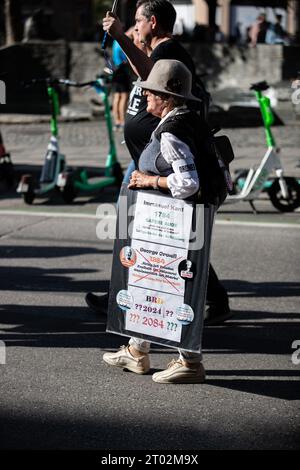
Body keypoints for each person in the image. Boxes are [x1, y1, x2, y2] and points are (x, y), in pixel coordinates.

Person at [86, 0, 230, 326]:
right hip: (148, 160)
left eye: (138, 21)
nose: (135, 26)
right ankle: (211, 298)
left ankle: (125, 299)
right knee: (160, 232)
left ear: (153, 21)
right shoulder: (160, 51)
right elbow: (145, 74)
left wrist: (121, 38)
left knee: (144, 229)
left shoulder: (170, 53)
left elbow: (152, 76)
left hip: (158, 164)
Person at [103, 59, 219, 383]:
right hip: (173, 219)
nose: (144, 97)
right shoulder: (187, 119)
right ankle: (137, 351)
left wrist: (147, 181)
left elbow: (188, 182)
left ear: (166, 96)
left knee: (174, 284)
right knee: (151, 279)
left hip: (177, 220)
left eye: (150, 92)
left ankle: (190, 362)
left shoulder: (171, 132)